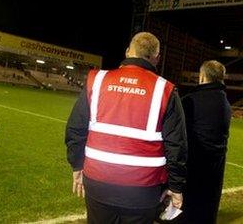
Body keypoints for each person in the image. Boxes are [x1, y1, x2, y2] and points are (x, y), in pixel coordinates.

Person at [65, 32, 187, 224]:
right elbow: (177, 145)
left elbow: (75, 128)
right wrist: (176, 187)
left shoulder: (97, 80)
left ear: (128, 51)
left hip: (98, 182)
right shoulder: (166, 90)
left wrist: (77, 165)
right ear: (157, 58)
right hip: (143, 190)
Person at [181, 60, 232, 224]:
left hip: (193, 170)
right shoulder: (225, 102)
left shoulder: (191, 100)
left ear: (202, 77)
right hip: (215, 171)